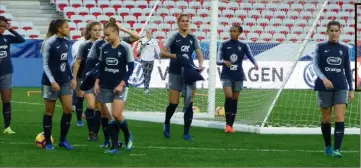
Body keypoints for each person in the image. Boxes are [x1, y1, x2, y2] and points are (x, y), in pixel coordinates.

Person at [85, 17, 139, 148]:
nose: (106, 37)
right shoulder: (104, 47)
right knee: (109, 116)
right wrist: (97, 82)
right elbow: (102, 67)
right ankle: (114, 146)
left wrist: (122, 83)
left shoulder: (125, 47)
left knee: (116, 114)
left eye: (108, 35)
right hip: (105, 86)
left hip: (119, 86)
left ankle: (127, 134)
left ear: (116, 32)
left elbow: (131, 68)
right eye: (105, 35)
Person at [312, 20, 354, 158]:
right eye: (332, 31)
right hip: (323, 87)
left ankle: (337, 149)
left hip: (341, 86)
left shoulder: (345, 48)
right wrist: (324, 78)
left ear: (340, 32)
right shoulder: (320, 46)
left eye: (337, 31)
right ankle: (328, 146)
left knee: (339, 117)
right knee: (326, 118)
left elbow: (347, 70)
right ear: (327, 32)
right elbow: (315, 66)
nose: (334, 33)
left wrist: (351, 88)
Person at [160, 14, 204, 140]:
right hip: (175, 72)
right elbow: (162, 53)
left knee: (189, 103)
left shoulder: (192, 37)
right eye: (183, 21)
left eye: (187, 21)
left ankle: (186, 133)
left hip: (189, 72)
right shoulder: (173, 36)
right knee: (174, 103)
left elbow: (199, 53)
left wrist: (200, 65)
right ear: (178, 23)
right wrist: (175, 56)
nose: (185, 23)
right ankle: (167, 122)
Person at [41, 19, 76, 150]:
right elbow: (44, 64)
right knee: (49, 112)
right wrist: (52, 81)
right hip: (50, 82)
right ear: (59, 29)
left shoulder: (66, 42)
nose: (69, 29)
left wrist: (72, 78)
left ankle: (62, 140)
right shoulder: (49, 43)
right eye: (67, 27)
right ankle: (48, 143)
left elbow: (65, 62)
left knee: (68, 110)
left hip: (64, 81)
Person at [216, 25, 259, 133]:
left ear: (239, 33)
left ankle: (230, 125)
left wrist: (255, 64)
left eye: (234, 31)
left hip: (238, 75)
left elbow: (250, 55)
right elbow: (218, 60)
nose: (232, 33)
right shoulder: (224, 44)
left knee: (235, 100)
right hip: (226, 75)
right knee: (229, 96)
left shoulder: (243, 45)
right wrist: (224, 62)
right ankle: (227, 124)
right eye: (231, 31)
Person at [72, 21, 102, 140]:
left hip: (100, 80)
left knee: (98, 108)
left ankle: (95, 132)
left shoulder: (104, 44)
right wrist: (74, 78)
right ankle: (90, 131)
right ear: (89, 31)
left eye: (99, 30)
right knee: (91, 105)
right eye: (95, 30)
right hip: (87, 79)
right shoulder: (84, 45)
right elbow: (78, 61)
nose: (97, 32)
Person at [0, 16, 25, 134]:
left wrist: (11, 29)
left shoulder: (6, 38)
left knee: (6, 100)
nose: (3, 29)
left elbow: (21, 39)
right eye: (1, 26)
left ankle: (7, 127)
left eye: (4, 26)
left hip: (6, 72)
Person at [136, 29, 160, 95]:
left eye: (150, 33)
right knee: (145, 74)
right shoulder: (142, 40)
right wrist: (140, 47)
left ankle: (147, 87)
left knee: (149, 74)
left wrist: (159, 56)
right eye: (148, 33)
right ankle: (146, 88)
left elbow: (157, 49)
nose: (149, 34)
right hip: (144, 59)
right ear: (146, 33)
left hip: (151, 59)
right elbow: (138, 49)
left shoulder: (154, 40)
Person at [71, 30, 86, 126]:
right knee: (80, 95)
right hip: (80, 71)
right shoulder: (79, 44)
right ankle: (79, 119)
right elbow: (77, 58)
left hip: (88, 71)